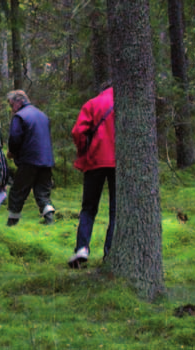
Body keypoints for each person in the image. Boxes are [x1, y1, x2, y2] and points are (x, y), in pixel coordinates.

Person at [68, 83, 115, 268]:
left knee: (88, 208)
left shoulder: (93, 103)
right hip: (120, 163)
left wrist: (83, 150)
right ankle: (110, 253)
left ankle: (82, 248)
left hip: (95, 160)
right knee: (116, 211)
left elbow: (78, 132)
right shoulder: (128, 103)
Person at [5, 90, 56, 226]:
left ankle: (12, 222)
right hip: (46, 160)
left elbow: (15, 138)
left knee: (18, 191)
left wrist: (12, 153)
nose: (11, 109)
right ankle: (49, 218)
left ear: (19, 102)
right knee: (42, 191)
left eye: (11, 105)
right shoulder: (42, 115)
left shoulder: (20, 117)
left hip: (29, 160)